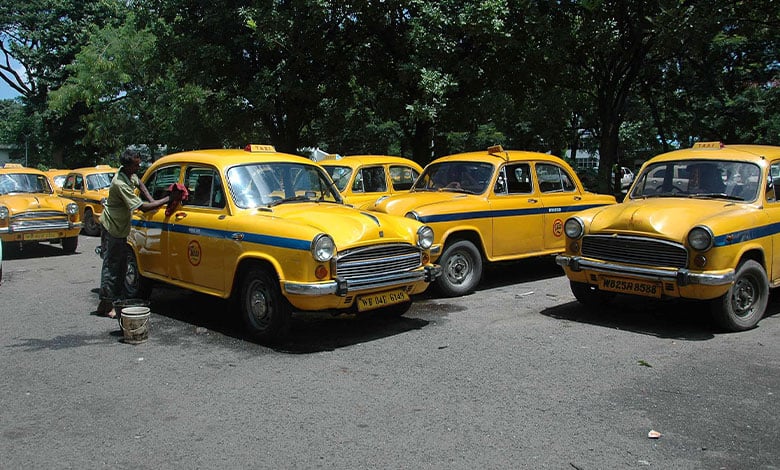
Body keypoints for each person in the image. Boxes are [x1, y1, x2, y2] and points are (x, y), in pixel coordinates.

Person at [97, 149, 174, 318]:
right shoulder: (120, 183)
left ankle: (111, 302)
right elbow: (141, 207)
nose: (138, 167)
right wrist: (167, 199)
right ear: (127, 165)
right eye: (136, 165)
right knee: (112, 267)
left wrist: (153, 200)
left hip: (121, 227)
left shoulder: (129, 174)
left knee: (122, 265)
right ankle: (107, 303)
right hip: (112, 227)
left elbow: (140, 184)